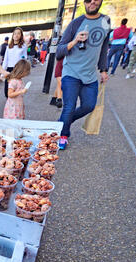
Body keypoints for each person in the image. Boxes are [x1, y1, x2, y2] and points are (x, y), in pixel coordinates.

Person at [55, 0, 111, 150]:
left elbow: (104, 46)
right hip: (71, 72)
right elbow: (59, 51)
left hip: (90, 75)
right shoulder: (75, 23)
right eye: (88, 0)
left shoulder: (106, 21)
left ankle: (62, 122)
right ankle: (63, 134)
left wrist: (103, 69)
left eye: (96, 0)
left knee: (89, 106)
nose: (92, 2)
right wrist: (75, 40)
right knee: (69, 106)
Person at [2, 27, 27, 98]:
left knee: (16, 89)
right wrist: (3, 72)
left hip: (18, 70)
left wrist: (23, 71)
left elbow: (25, 59)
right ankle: (9, 104)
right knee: (7, 90)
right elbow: (5, 60)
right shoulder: (8, 47)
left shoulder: (23, 46)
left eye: (18, 33)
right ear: (12, 35)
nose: (16, 35)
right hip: (9, 70)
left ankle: (15, 106)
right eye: (15, 33)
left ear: (21, 35)